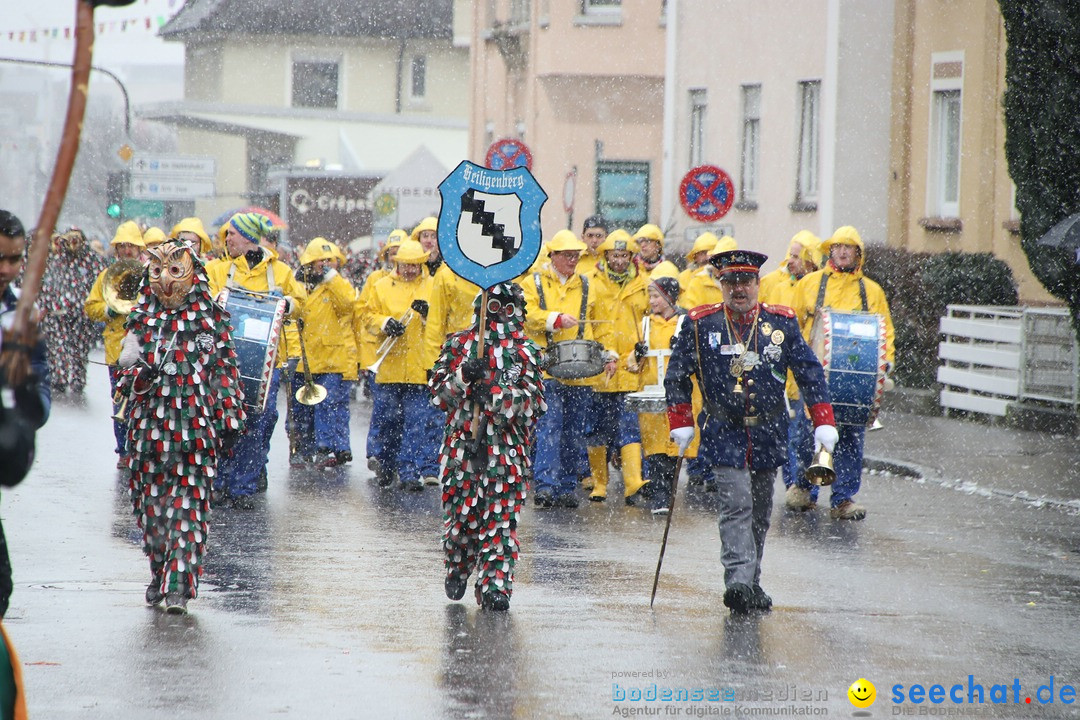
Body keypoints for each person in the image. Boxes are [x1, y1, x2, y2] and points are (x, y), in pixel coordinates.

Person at [665, 249, 838, 613]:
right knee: (736, 506)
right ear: (720, 284)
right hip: (723, 430)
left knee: (760, 512)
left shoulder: (781, 324)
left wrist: (823, 418)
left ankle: (753, 581)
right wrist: (680, 421)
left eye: (745, 281)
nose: (738, 289)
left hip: (767, 431)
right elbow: (677, 377)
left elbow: (809, 373)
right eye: (730, 282)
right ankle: (738, 582)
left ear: (758, 284)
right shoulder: (701, 324)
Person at [116, 238, 246, 613]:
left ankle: (179, 585)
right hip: (147, 434)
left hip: (195, 434)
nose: (165, 281)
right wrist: (138, 376)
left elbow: (224, 371)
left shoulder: (210, 321)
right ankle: (160, 570)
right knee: (151, 510)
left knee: (188, 509)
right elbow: (124, 376)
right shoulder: (141, 319)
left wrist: (229, 415)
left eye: (175, 271)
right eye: (157, 271)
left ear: (193, 274)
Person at [429, 282, 546, 611]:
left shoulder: (526, 352)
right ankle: (458, 564)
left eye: (508, 309)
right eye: (493, 309)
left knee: (501, 522)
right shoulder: (459, 344)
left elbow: (535, 403)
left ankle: (496, 585)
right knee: (462, 520)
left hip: (507, 453)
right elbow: (438, 395)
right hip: (462, 450)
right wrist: (463, 377)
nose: (500, 318)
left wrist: (497, 398)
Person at [789, 226, 895, 520]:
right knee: (805, 436)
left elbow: (885, 331)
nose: (843, 252)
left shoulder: (872, 291)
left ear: (858, 254)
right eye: (838, 247)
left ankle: (843, 499)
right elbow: (792, 324)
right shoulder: (809, 284)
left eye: (849, 248)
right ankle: (802, 488)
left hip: (854, 382)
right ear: (830, 251)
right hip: (813, 376)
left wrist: (886, 365)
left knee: (850, 439)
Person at [205, 212, 305, 507]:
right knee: (221, 422)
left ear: (248, 237)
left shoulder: (282, 272)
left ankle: (243, 488)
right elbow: (205, 301)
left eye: (232, 235)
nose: (227, 240)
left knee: (255, 423)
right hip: (222, 361)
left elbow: (302, 305)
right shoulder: (218, 270)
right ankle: (219, 482)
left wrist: (289, 303)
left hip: (265, 365)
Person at [0, 209, 49, 719]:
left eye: (16, 259)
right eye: (0, 258)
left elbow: (37, 402)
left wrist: (19, 399)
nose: (9, 270)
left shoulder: (21, 317)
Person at [519, 229, 600, 507]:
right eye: (567, 255)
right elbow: (526, 315)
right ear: (552, 255)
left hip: (580, 370)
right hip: (547, 369)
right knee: (549, 427)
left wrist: (608, 354)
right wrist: (554, 319)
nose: (572, 260)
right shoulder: (534, 283)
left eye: (575, 255)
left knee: (574, 432)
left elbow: (596, 325)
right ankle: (545, 485)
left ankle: (566, 486)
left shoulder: (587, 285)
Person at [364, 239, 440, 490]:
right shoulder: (382, 285)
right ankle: (386, 466)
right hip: (389, 367)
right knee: (388, 420)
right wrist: (385, 323)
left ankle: (409, 472)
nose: (410, 270)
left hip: (419, 366)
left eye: (415, 265)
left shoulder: (433, 286)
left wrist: (429, 313)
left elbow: (440, 323)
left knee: (416, 423)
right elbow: (367, 316)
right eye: (405, 265)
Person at [584, 229, 650, 504]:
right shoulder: (591, 282)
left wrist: (640, 350)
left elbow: (648, 320)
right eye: (615, 255)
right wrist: (599, 353)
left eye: (624, 255)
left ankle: (633, 483)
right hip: (601, 369)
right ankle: (600, 482)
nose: (620, 261)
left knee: (629, 426)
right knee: (597, 427)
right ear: (605, 256)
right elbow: (586, 321)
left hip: (631, 369)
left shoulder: (644, 283)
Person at [757, 231, 823, 502]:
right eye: (790, 254)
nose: (790, 260)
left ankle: (805, 487)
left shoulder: (818, 285)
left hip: (805, 370)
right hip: (777, 369)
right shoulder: (772, 282)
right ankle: (792, 485)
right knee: (785, 431)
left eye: (797, 256)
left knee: (803, 434)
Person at [628, 267, 698, 514]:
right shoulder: (645, 324)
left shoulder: (686, 322)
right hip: (652, 394)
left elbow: (696, 360)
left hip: (677, 395)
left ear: (669, 297)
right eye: (650, 296)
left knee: (673, 447)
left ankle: (667, 494)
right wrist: (635, 356)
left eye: (656, 296)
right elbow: (633, 366)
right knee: (655, 449)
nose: (652, 301)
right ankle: (660, 498)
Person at [84, 220, 146, 468]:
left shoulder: (148, 275)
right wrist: (109, 311)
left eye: (131, 245)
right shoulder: (105, 277)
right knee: (120, 401)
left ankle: (141, 447)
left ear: (139, 249)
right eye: (122, 246)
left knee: (143, 401)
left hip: (143, 348)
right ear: (117, 250)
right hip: (115, 350)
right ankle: (124, 450)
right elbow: (91, 307)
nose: (127, 250)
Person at [292, 238, 357, 468]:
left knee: (327, 405)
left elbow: (349, 303)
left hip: (330, 358)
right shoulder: (297, 283)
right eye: (322, 260)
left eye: (330, 260)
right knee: (301, 408)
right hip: (303, 358)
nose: (326, 265)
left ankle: (325, 448)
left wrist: (332, 279)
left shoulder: (336, 285)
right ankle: (302, 449)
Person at [38, 226, 105, 395]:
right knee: (58, 347)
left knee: (80, 348)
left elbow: (99, 282)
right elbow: (48, 284)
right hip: (59, 313)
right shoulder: (58, 259)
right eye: (70, 239)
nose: (73, 244)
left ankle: (77, 378)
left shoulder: (91, 259)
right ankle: (59, 378)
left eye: (77, 239)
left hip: (82, 315)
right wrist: (47, 305)